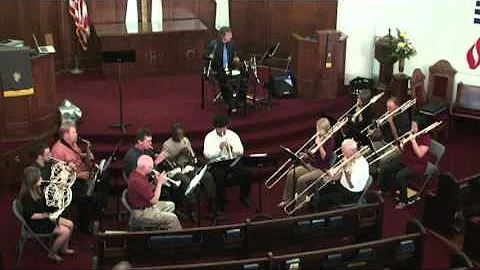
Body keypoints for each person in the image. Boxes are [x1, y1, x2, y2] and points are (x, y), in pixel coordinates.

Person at [50, 122, 104, 233]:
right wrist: (80, 175)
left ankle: (97, 213)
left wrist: (86, 154)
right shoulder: (58, 151)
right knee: (87, 197)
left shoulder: (73, 144)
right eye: (74, 132)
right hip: (69, 185)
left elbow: (78, 156)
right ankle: (83, 226)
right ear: (66, 135)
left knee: (102, 181)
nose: (76, 134)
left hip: (81, 177)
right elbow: (59, 176)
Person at [19, 166, 75, 263]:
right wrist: (48, 215)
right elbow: (32, 216)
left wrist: (60, 187)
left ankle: (64, 249)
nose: (41, 178)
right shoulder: (26, 196)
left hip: (43, 217)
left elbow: (46, 204)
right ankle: (52, 254)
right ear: (33, 180)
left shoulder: (37, 188)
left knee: (70, 224)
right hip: (36, 223)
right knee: (65, 231)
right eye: (39, 177)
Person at [278, 118, 336, 207]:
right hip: (313, 165)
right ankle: (287, 199)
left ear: (325, 129)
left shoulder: (330, 140)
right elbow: (315, 155)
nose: (317, 131)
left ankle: (300, 202)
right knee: (290, 174)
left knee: (301, 180)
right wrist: (306, 155)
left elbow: (325, 158)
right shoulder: (319, 137)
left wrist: (319, 145)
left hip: (322, 169)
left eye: (319, 129)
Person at [162, 122, 217, 215]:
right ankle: (192, 209)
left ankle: (212, 204)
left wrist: (191, 158)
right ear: (173, 134)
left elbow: (192, 155)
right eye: (178, 135)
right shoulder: (166, 145)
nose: (181, 137)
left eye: (182, 134)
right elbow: (168, 164)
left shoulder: (185, 140)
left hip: (188, 167)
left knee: (207, 176)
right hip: (176, 171)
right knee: (188, 182)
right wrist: (179, 153)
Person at [378, 116, 432, 209]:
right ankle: (385, 190)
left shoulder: (426, 139)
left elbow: (419, 154)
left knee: (400, 176)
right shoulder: (411, 133)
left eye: (414, 126)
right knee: (386, 168)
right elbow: (404, 150)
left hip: (418, 164)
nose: (412, 128)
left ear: (421, 127)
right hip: (406, 159)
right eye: (412, 126)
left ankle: (404, 201)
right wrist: (402, 145)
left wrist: (413, 140)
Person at [203, 115, 252, 211]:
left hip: (232, 161)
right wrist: (219, 149)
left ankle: (244, 197)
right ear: (215, 127)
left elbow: (241, 151)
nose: (222, 130)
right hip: (218, 163)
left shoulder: (232, 135)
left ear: (227, 126)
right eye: (219, 128)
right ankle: (221, 201)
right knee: (219, 177)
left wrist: (233, 148)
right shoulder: (209, 137)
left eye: (224, 127)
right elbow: (207, 155)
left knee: (246, 174)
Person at [127, 155, 182, 230]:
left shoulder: (137, 174)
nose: (152, 169)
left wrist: (155, 183)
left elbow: (145, 190)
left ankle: (163, 229)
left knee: (171, 205)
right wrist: (159, 183)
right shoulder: (138, 181)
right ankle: (177, 238)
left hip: (146, 206)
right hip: (141, 214)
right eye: (150, 167)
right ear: (143, 167)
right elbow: (154, 200)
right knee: (173, 218)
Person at [314, 139, 370, 211]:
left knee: (323, 199)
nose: (343, 154)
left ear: (352, 151)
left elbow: (351, 186)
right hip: (342, 185)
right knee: (320, 190)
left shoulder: (361, 165)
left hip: (350, 194)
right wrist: (335, 174)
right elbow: (340, 176)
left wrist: (346, 171)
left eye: (345, 152)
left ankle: (322, 217)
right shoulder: (350, 157)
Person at [205, 26, 247, 114]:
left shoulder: (232, 44)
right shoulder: (214, 45)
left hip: (230, 68)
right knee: (226, 80)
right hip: (218, 69)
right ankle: (229, 102)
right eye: (229, 34)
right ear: (223, 36)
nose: (231, 36)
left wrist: (236, 60)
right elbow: (207, 59)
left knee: (243, 77)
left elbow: (234, 55)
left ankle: (240, 100)